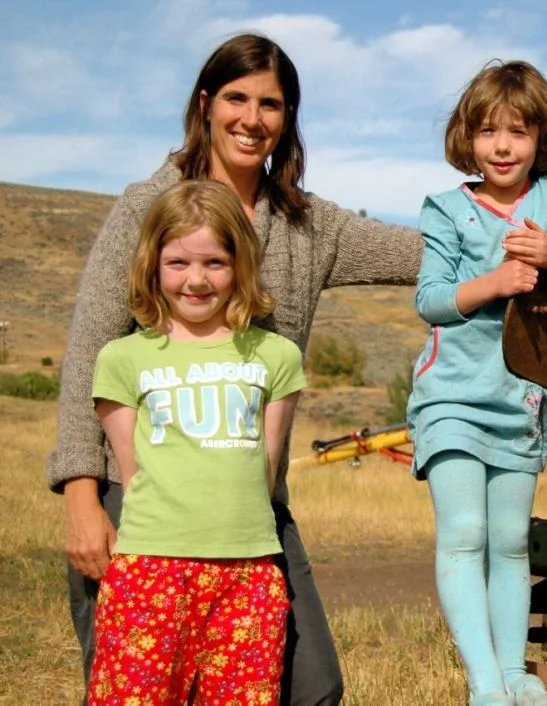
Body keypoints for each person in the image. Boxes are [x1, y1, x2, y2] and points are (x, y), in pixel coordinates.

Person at [47, 33, 422, 705]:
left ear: (288, 118)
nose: (253, 118)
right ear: (205, 103)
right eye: (236, 98)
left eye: (271, 104)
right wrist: (81, 499)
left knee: (312, 690)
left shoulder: (311, 226)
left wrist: (529, 212)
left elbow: (426, 252)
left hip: (250, 514)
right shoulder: (146, 206)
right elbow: (88, 355)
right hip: (135, 506)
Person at [406, 60, 547, 706]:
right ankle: (485, 685)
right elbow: (431, 300)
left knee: (511, 542)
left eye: (517, 132)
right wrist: (497, 283)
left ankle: (516, 674)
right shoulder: (445, 208)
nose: (501, 146)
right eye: (488, 131)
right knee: (465, 535)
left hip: (522, 398)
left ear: (539, 136)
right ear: (468, 137)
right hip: (454, 398)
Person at [87, 179, 304, 705]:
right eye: (179, 263)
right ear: (153, 266)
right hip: (151, 571)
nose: (197, 280)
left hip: (249, 571)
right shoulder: (122, 359)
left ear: (240, 265)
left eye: (215, 263)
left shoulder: (276, 356)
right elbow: (133, 472)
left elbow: (267, 469)